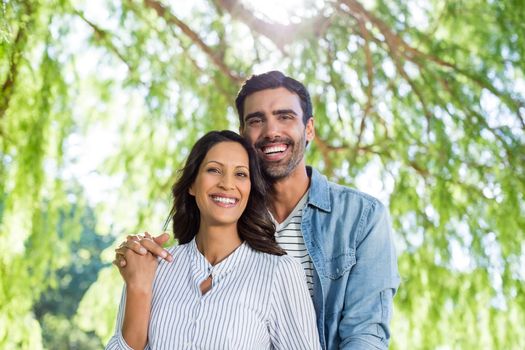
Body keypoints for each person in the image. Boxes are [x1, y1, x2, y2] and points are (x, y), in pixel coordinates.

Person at [116, 71, 400, 349]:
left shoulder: (361, 217)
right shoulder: (223, 217)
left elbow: (366, 334)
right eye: (256, 120)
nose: (271, 131)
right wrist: (140, 283)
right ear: (243, 134)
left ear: (309, 128)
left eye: (285, 116)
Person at [107, 130, 320, 349]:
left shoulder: (280, 273)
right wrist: (139, 288)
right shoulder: (152, 269)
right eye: (214, 170)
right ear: (192, 184)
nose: (227, 184)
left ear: (250, 188)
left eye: (240, 174)